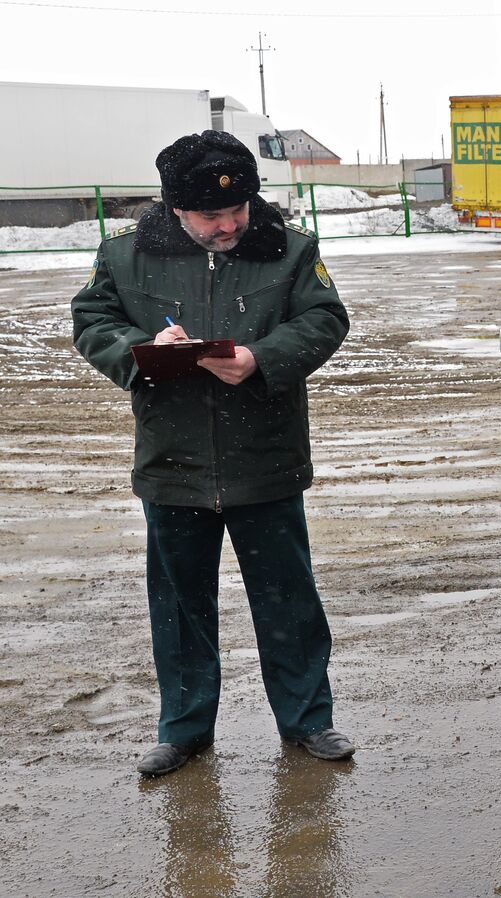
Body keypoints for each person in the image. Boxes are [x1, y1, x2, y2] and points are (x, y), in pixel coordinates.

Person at [71, 130, 353, 776]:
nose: (229, 225)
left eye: (238, 209)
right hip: (173, 464)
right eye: (212, 215)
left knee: (288, 600)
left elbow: (325, 319)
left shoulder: (289, 250)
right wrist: (144, 352)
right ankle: (185, 729)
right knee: (178, 607)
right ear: (176, 211)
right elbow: (92, 320)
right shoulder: (125, 257)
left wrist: (262, 358)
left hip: (266, 460)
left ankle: (309, 719)